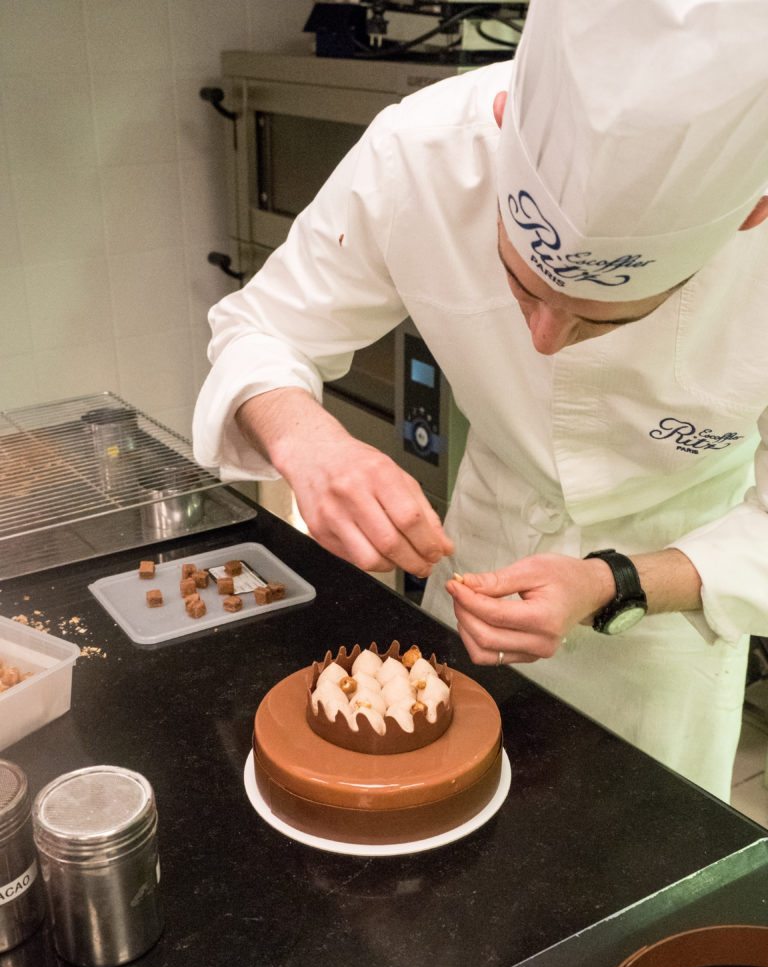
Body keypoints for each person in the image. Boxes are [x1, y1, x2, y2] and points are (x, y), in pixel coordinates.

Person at [193, 0, 768, 801]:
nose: (542, 339)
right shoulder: (422, 151)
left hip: (669, 620)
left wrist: (617, 583)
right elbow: (262, 329)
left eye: (602, 319)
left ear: (753, 214)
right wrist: (310, 444)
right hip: (477, 570)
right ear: (503, 124)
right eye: (521, 288)